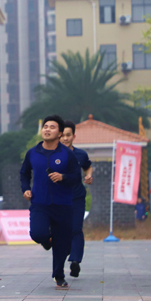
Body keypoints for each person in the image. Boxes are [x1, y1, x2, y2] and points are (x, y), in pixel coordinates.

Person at [20, 115, 82, 289]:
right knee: (37, 234)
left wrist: (63, 177)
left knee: (62, 243)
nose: (47, 129)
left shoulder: (67, 154)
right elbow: (24, 173)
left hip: (63, 205)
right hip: (39, 203)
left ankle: (59, 275)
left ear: (60, 133)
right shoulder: (32, 153)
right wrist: (25, 189)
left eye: (52, 127)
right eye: (45, 126)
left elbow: (76, 177)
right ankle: (47, 240)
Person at [60, 120, 93, 278]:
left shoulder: (81, 154)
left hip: (77, 197)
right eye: (63, 135)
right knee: (61, 231)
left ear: (74, 136)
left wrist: (88, 175)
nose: (65, 138)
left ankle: (75, 261)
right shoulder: (51, 155)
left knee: (76, 229)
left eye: (68, 135)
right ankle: (66, 251)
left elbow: (87, 166)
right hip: (58, 199)